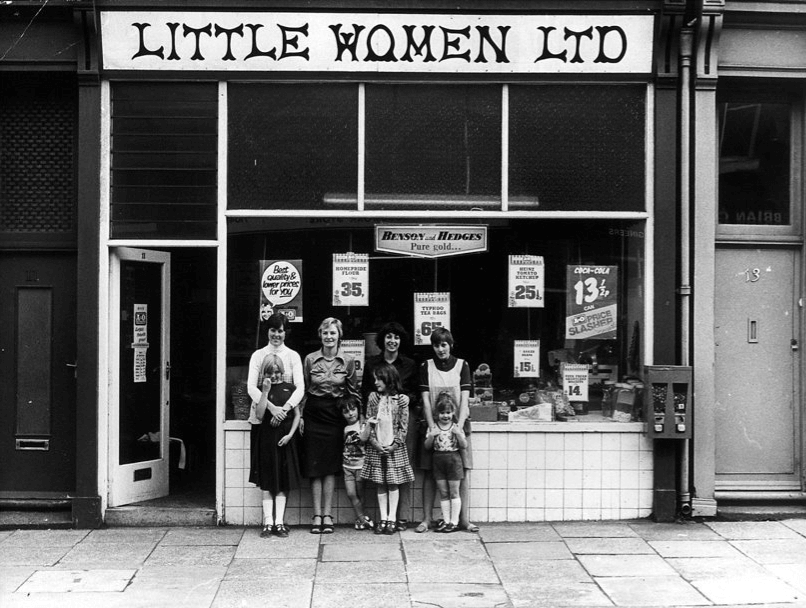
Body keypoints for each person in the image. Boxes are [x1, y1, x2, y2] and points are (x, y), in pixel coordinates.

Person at [416, 327, 478, 533]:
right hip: (433, 427)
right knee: (429, 471)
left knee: (462, 472)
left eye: (444, 344)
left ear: (450, 345)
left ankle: (464, 519)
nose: (440, 349)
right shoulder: (426, 366)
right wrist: (432, 427)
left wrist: (457, 427)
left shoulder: (462, 366)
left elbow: (465, 398)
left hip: (458, 426)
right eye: (436, 345)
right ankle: (426, 519)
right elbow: (426, 401)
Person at [302, 317, 359, 534]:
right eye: (325, 333)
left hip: (335, 415)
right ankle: (316, 516)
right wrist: (301, 417)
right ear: (320, 335)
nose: (329, 337)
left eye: (333, 333)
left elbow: (353, 392)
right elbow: (304, 390)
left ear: (339, 336)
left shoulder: (348, 361)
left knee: (329, 468)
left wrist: (356, 422)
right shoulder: (310, 359)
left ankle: (327, 515)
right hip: (314, 413)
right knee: (315, 468)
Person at [361, 322, 419, 531]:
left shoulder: (409, 364)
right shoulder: (372, 364)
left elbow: (415, 393)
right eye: (388, 337)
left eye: (396, 337)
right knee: (380, 478)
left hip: (399, 425)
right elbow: (366, 394)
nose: (392, 341)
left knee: (398, 473)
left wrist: (406, 398)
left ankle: (398, 518)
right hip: (378, 430)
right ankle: (384, 518)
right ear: (382, 340)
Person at [247, 313, 304, 491]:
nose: (276, 335)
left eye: (280, 331)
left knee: (284, 474)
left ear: (285, 332)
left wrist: (284, 410)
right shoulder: (258, 355)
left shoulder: (293, 356)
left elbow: (300, 387)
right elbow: (251, 387)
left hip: (286, 422)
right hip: (264, 417)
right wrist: (272, 409)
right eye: (273, 330)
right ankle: (268, 517)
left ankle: (278, 517)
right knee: (266, 471)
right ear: (267, 331)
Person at [252, 355, 301, 538]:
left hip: (284, 440)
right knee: (267, 482)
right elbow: (258, 415)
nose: (274, 376)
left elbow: (296, 415)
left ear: (283, 371)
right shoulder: (260, 390)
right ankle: (268, 522)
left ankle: (279, 522)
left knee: (282, 482)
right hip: (267, 440)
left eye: (277, 372)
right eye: (270, 372)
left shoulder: (290, 389)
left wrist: (290, 435)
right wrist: (265, 392)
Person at [424, 392, 467, 533]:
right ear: (437, 413)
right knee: (443, 492)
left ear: (453, 412)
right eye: (442, 412)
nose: (445, 416)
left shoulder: (456, 427)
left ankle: (454, 522)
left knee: (454, 492)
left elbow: (464, 445)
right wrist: (431, 436)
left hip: (453, 460)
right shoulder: (433, 427)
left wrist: (459, 434)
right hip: (438, 460)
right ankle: (446, 521)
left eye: (448, 412)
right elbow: (427, 446)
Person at [340, 395, 374, 530]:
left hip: (361, 465)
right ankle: (362, 518)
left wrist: (368, 424)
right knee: (351, 493)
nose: (350, 413)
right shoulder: (344, 428)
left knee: (361, 494)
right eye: (346, 411)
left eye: (352, 409)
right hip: (347, 466)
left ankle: (361, 519)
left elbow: (364, 438)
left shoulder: (362, 424)